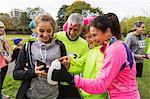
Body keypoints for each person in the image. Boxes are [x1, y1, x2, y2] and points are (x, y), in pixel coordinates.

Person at [52, 13, 140, 99]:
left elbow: (100, 85)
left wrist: (70, 78)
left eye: (94, 35)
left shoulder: (114, 51)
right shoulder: (116, 45)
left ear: (108, 32)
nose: (92, 39)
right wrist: (70, 62)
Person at [13, 13, 67, 99]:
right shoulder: (28, 46)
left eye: (49, 31)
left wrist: (60, 71)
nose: (45, 35)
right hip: (31, 95)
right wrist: (33, 72)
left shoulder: (60, 46)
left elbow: (64, 74)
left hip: (54, 95)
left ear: (53, 30)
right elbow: (16, 74)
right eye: (41, 31)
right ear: (36, 30)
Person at [58, 25, 107, 99]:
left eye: (90, 37)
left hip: (96, 95)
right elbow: (80, 62)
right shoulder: (91, 51)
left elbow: (101, 80)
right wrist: (69, 61)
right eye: (86, 37)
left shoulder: (102, 53)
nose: (87, 40)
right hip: (86, 92)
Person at [55, 13, 88, 98]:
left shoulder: (84, 44)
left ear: (81, 30)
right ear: (67, 25)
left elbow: (82, 66)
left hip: (70, 83)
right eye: (70, 28)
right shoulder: (57, 36)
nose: (72, 32)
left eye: (76, 30)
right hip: (55, 83)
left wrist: (69, 67)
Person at [0, 21, 10, 99]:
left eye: (2, 27)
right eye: (0, 27)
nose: (1, 29)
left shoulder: (4, 38)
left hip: (4, 62)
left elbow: (8, 50)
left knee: (1, 79)